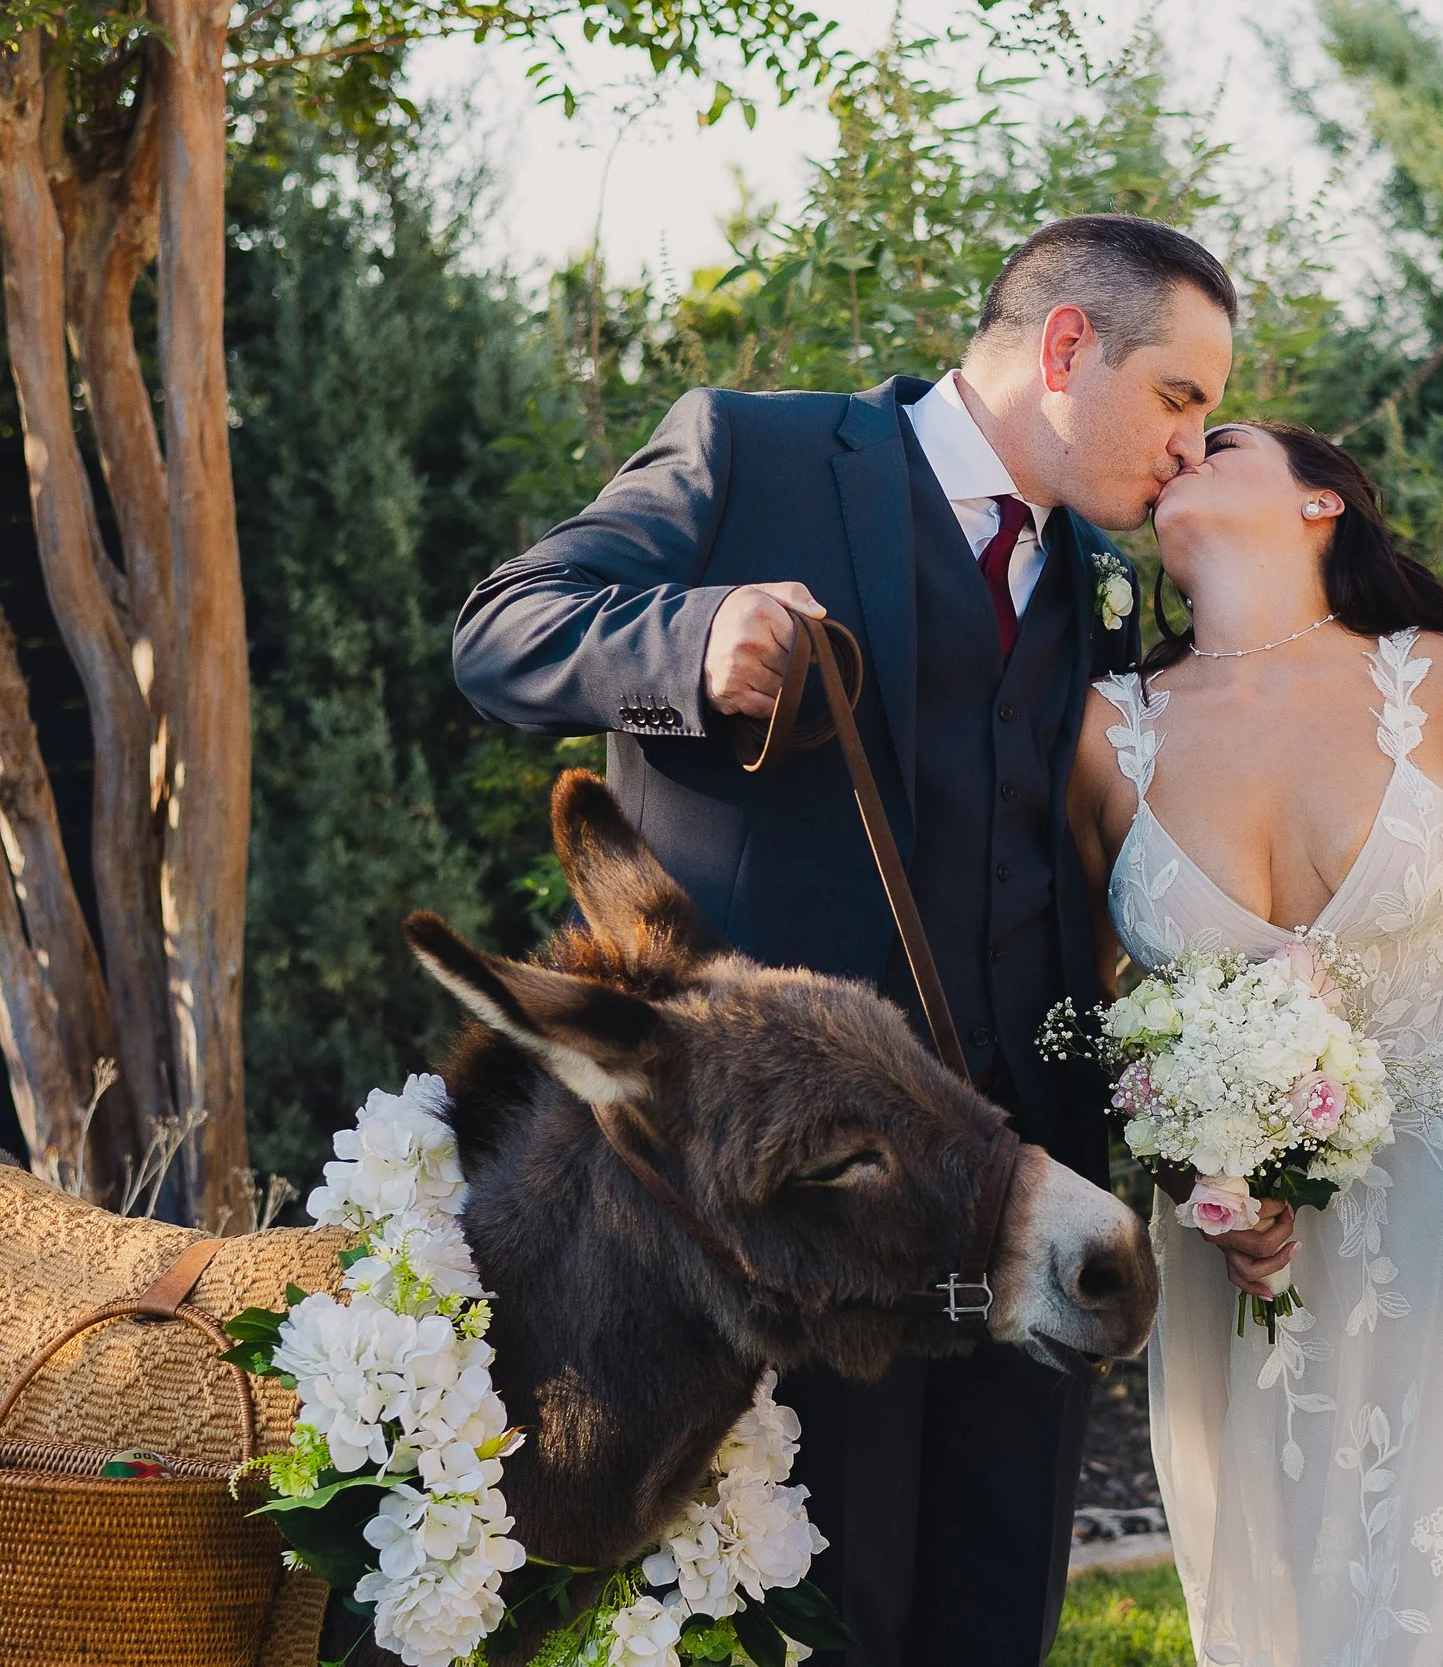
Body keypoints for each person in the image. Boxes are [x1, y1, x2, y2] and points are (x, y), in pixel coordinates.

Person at [450, 214, 1236, 1666]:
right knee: (818, 1622)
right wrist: (691, 636)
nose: (1194, 444)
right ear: (1066, 344)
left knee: (995, 1614)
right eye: (1180, 396)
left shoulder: (1097, 578)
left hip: (1016, 1180)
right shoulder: (751, 454)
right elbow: (501, 629)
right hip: (790, 1201)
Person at [1067, 420, 1443, 1666]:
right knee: (1303, 1559)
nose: (1181, 444)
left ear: (1321, 505)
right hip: (1247, 1231)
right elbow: (1096, 1016)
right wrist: (1205, 1181)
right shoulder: (1102, 728)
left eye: (1222, 439)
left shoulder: (1431, 675)